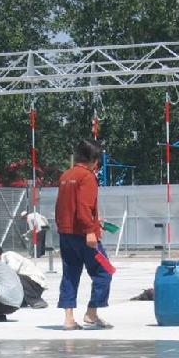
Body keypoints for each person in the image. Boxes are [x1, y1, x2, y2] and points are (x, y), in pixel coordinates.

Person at [55, 138, 113, 330]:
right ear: (94, 159)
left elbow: (65, 206)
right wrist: (90, 229)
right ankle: (92, 312)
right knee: (105, 271)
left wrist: (96, 221)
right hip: (84, 234)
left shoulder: (66, 175)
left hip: (66, 234)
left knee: (70, 274)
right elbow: (83, 206)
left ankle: (69, 319)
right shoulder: (87, 176)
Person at [0, 239, 48, 309]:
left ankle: (36, 300)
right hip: (23, 288)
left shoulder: (9, 256)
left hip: (34, 285)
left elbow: (11, 272)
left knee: (12, 277)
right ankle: (21, 301)